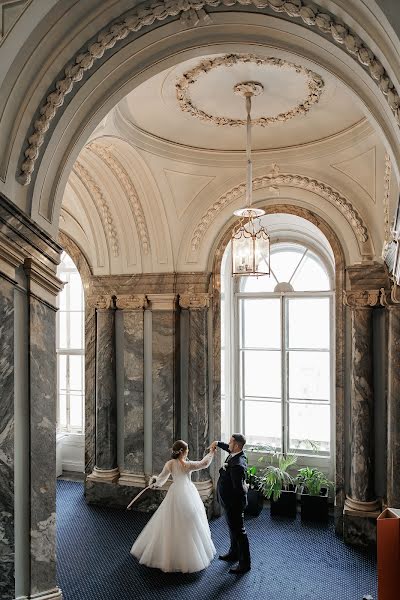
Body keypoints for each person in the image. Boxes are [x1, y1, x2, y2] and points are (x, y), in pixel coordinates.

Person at [130, 440, 216, 573]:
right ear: (183, 451)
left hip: (175, 492)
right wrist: (211, 453)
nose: (188, 452)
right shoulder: (187, 465)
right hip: (188, 493)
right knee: (190, 519)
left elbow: (161, 479)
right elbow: (204, 463)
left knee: (170, 520)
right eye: (187, 450)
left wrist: (154, 483)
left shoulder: (170, 464)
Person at [210, 434, 251, 574]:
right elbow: (227, 448)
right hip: (229, 503)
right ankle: (234, 553)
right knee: (232, 529)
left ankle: (245, 564)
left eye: (230, 442)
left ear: (237, 445)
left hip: (234, 504)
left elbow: (239, 489)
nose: (228, 444)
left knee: (239, 532)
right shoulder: (235, 453)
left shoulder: (238, 464)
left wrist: (246, 487)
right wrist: (217, 443)